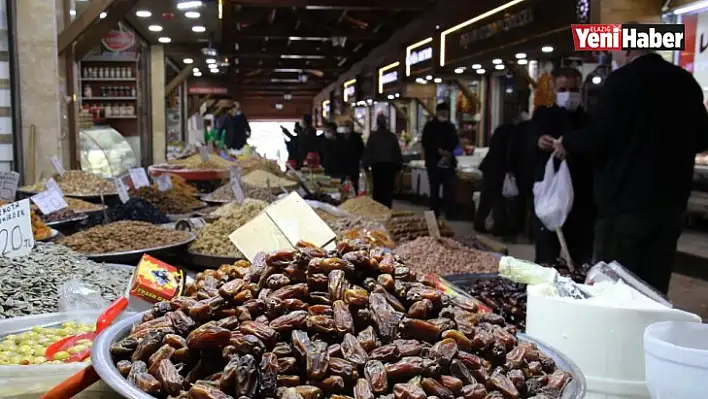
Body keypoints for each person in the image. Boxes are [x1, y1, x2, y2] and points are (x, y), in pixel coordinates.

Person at [555, 49, 708, 294]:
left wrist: (569, 142)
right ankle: (649, 329)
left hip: (623, 206)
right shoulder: (684, 81)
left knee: (613, 289)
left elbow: (601, 137)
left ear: (627, 49)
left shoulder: (620, 82)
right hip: (669, 207)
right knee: (654, 288)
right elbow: (702, 138)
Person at [532, 67, 594, 265]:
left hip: (581, 199)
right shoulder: (544, 115)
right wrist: (539, 141)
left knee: (578, 257)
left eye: (573, 89)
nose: (568, 95)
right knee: (547, 256)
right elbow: (528, 143)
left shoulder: (590, 120)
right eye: (563, 90)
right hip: (550, 196)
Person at [475, 122, 516, 235]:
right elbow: (510, 153)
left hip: (490, 166)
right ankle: (498, 226)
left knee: (486, 197)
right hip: (499, 169)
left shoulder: (500, 131)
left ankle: (480, 222)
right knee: (498, 198)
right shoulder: (512, 134)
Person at [422, 103, 459, 218]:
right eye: (442, 113)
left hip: (448, 162)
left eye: (446, 113)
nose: (444, 115)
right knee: (434, 189)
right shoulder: (430, 126)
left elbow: (455, 141)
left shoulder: (451, 126)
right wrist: (438, 151)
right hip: (433, 162)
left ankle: (450, 212)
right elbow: (425, 142)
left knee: (450, 188)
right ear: (437, 113)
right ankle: (434, 212)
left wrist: (449, 152)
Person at [362, 113, 403, 207]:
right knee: (388, 193)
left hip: (377, 168)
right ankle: (387, 210)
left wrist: (365, 167)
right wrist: (399, 168)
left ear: (377, 123)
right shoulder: (392, 137)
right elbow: (397, 154)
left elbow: (368, 153)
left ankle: (378, 211)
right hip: (389, 169)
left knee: (377, 192)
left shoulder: (373, 137)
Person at [337, 120, 364, 195]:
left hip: (353, 164)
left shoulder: (357, 138)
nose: (346, 128)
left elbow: (361, 150)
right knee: (341, 184)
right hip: (342, 164)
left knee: (354, 183)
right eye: (345, 126)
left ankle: (355, 196)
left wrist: (359, 160)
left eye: (348, 126)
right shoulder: (339, 137)